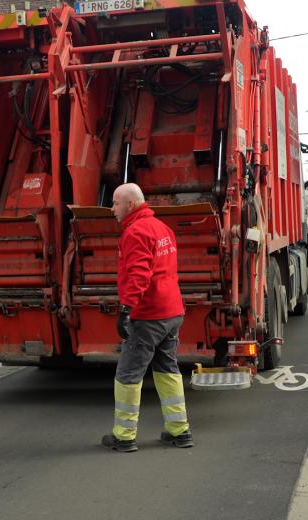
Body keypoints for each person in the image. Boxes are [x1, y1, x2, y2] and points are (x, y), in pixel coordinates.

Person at [102, 183, 193, 453]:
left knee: (128, 373)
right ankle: (180, 431)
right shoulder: (161, 228)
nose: (112, 209)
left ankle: (124, 435)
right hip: (172, 311)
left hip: (149, 315)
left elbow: (139, 275)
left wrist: (127, 309)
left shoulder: (135, 232)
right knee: (168, 370)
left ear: (130, 204)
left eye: (116, 203)